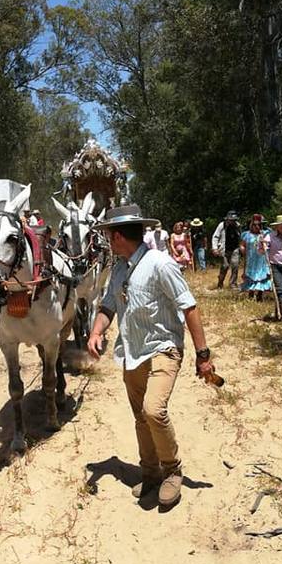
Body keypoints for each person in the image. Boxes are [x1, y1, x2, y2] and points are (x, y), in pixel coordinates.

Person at [87, 206, 216, 508]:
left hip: (163, 349)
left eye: (108, 235)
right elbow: (108, 306)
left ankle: (172, 471)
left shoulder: (161, 263)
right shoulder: (119, 268)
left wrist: (203, 355)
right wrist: (96, 332)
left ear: (117, 236)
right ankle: (151, 473)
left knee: (153, 410)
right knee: (140, 418)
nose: (107, 240)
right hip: (132, 353)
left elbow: (189, 306)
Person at [239, 214, 272, 302]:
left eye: (259, 225)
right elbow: (242, 245)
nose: (257, 227)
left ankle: (260, 295)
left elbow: (270, 244)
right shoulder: (246, 235)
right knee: (250, 275)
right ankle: (251, 293)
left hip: (262, 260)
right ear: (251, 225)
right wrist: (242, 249)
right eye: (254, 225)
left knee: (261, 276)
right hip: (250, 259)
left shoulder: (266, 234)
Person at [211, 211, 241, 289]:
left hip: (235, 248)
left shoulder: (238, 225)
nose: (232, 221)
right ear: (227, 219)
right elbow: (215, 237)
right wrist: (215, 248)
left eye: (234, 220)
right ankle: (220, 283)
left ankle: (233, 283)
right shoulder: (222, 225)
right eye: (231, 220)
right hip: (224, 249)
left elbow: (240, 236)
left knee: (235, 265)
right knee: (225, 266)